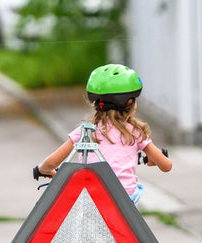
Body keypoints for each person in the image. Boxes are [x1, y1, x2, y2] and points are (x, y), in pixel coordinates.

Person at [34, 64, 172, 203]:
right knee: (134, 194)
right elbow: (166, 166)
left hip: (93, 199)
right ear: (130, 102)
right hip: (125, 201)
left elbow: (51, 163)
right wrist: (156, 160)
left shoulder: (86, 131)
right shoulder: (136, 132)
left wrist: (44, 170)